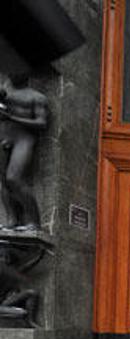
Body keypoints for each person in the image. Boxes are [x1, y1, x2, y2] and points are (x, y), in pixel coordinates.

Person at [0, 74, 48, 230]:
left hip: (23, 139)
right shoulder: (4, 94)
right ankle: (11, 220)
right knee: (4, 182)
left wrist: (11, 117)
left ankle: (34, 221)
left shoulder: (36, 97)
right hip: (4, 137)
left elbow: (41, 122)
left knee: (14, 178)